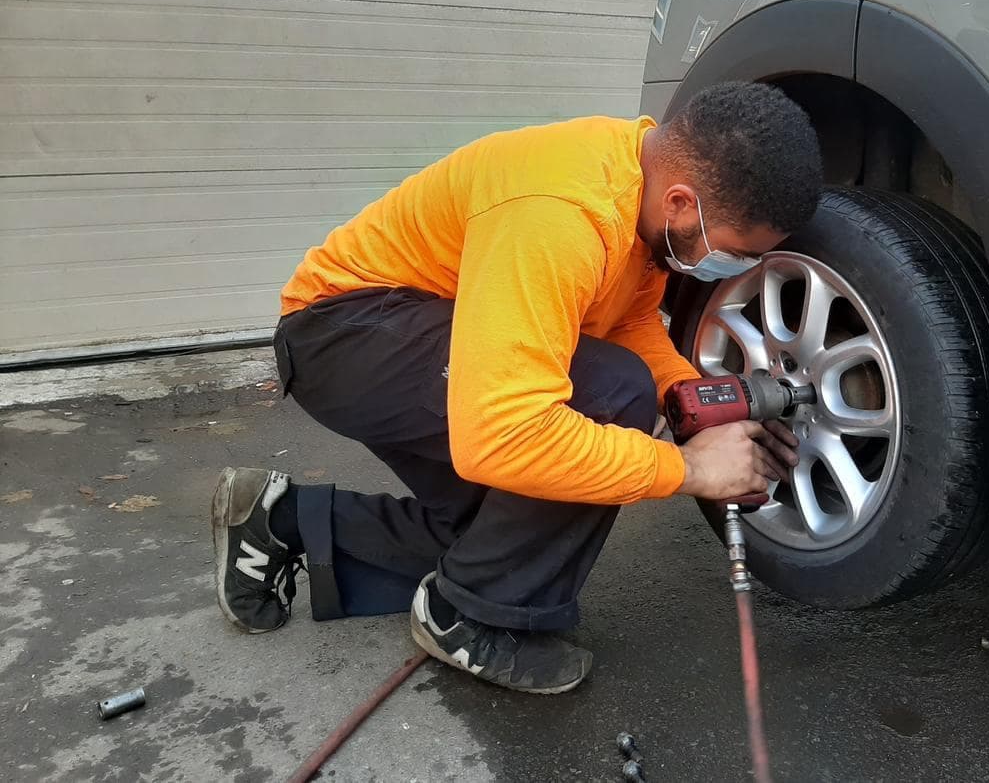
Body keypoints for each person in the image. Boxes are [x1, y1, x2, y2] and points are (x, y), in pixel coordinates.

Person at [211, 82, 822, 694]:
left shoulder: (642, 190)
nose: (737, 268)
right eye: (739, 254)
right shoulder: (562, 215)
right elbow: (505, 437)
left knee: (503, 541)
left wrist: (692, 403)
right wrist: (687, 468)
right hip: (343, 335)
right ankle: (466, 618)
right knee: (608, 399)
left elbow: (632, 319)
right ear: (684, 205)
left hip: (405, 332)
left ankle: (280, 521)